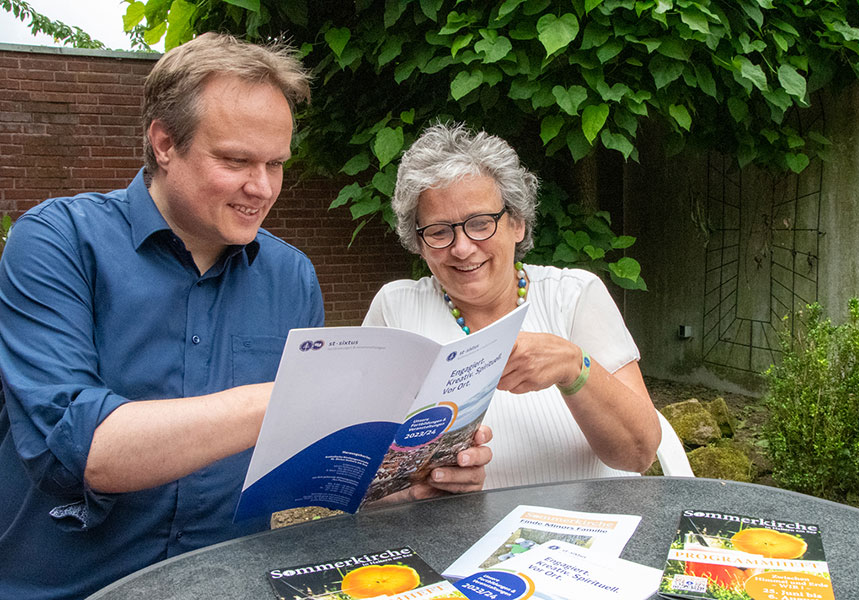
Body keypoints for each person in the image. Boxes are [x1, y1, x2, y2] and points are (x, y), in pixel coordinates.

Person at [0, 35, 487, 600]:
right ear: (163, 142)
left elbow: (291, 480)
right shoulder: (57, 242)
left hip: (234, 583)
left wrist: (403, 482)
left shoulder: (292, 276)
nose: (262, 188)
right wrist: (300, 396)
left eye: (276, 163)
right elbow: (87, 451)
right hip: (68, 588)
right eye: (235, 161)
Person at [363, 123, 662, 489]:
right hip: (452, 538)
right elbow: (361, 472)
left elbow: (639, 454)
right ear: (419, 242)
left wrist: (574, 366)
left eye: (480, 223)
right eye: (440, 231)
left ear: (517, 223)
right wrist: (419, 489)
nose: (462, 247)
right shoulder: (396, 310)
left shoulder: (573, 296)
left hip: (582, 535)